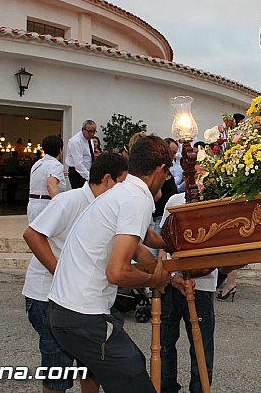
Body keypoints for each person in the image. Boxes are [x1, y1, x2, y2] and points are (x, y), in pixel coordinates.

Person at [48, 135, 172, 393]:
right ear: (160, 169)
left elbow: (146, 238)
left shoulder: (122, 192)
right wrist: (155, 280)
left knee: (132, 363)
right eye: (167, 174)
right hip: (82, 314)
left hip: (66, 309)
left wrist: (172, 246)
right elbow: (117, 271)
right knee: (134, 381)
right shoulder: (137, 199)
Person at [22, 152, 128, 393]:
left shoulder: (107, 208)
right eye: (122, 183)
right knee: (57, 372)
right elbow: (32, 234)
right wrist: (62, 273)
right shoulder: (69, 201)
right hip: (46, 296)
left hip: (82, 301)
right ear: (108, 180)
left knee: (92, 365)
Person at [159, 192, 217, 392]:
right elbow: (163, 243)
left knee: (202, 349)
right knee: (163, 345)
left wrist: (192, 274)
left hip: (202, 287)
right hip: (169, 284)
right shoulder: (175, 200)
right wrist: (173, 276)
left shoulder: (217, 201)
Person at [149, 138, 179, 256]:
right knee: (156, 252)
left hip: (167, 214)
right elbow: (157, 195)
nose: (173, 156)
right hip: (161, 215)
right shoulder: (158, 169)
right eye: (171, 152)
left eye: (175, 153)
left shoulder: (167, 169)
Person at [27, 135, 65, 223]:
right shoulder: (56, 165)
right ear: (60, 150)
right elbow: (50, 185)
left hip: (33, 204)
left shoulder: (37, 164)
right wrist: (60, 205)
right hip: (46, 205)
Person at [65, 120, 96, 188]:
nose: (92, 134)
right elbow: (78, 164)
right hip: (77, 173)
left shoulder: (90, 139)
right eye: (89, 131)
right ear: (83, 130)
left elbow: (89, 157)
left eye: (94, 131)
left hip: (87, 171)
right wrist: (89, 177)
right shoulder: (76, 141)